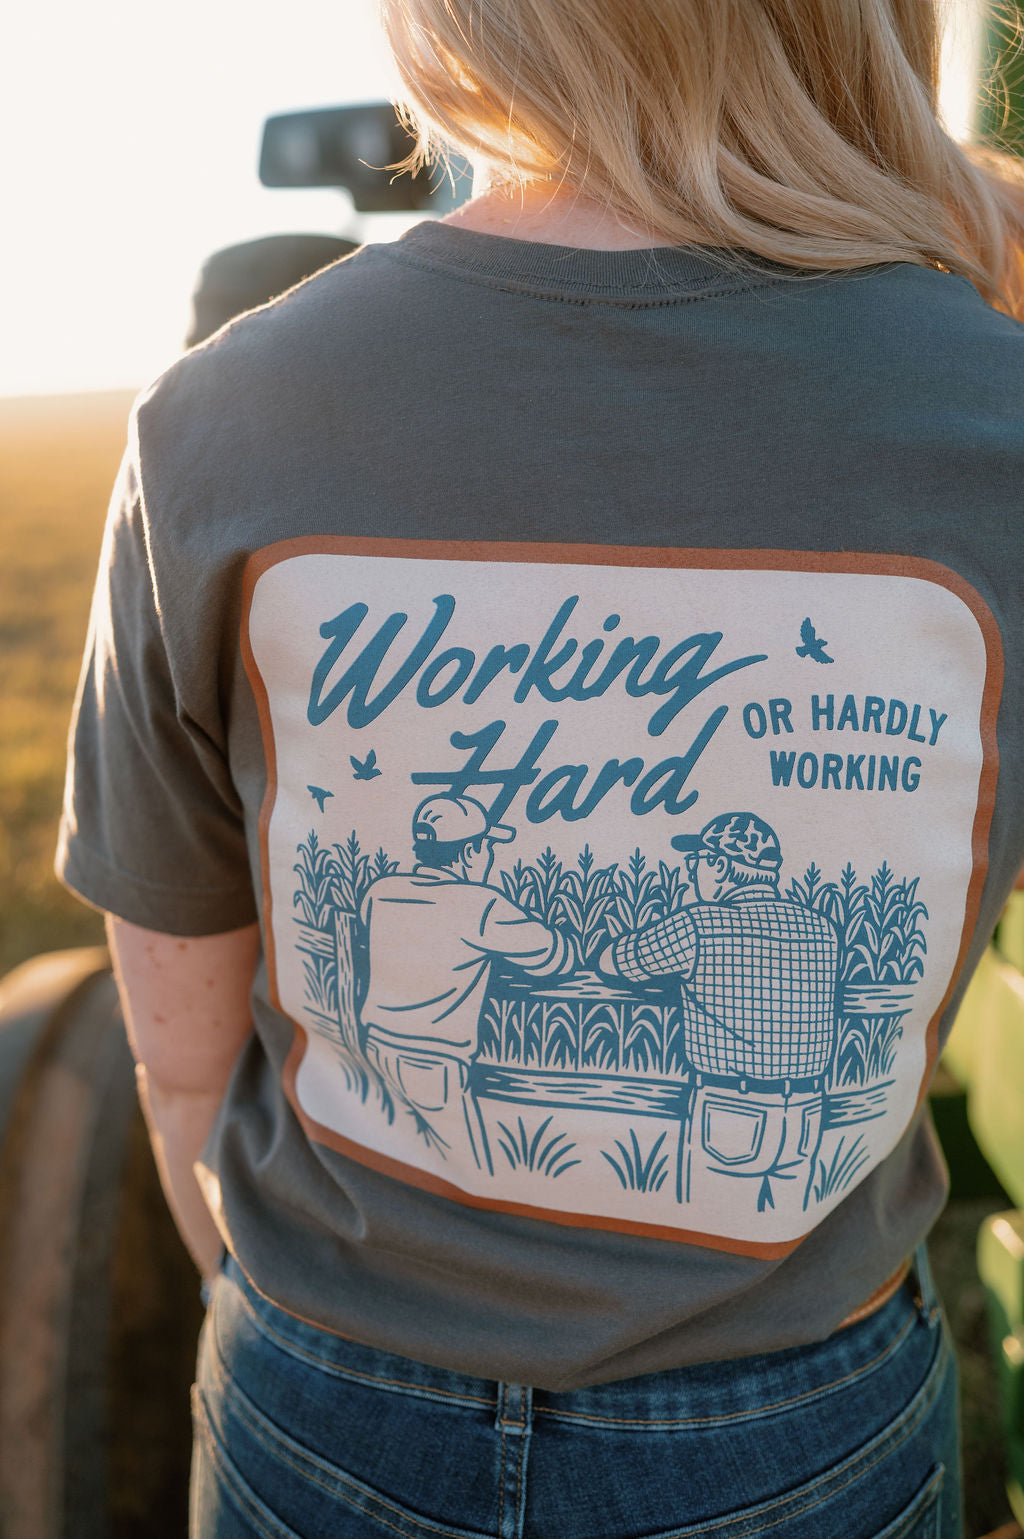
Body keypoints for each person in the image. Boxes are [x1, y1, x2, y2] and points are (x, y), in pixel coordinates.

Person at [56, 1, 1024, 1535]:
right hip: (801, 1416)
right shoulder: (996, 408)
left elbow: (182, 1062)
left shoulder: (225, 411)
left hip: (328, 1396)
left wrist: (286, 1320)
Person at [599, 811, 840, 1219]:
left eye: (697, 861)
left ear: (720, 865)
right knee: (783, 1231)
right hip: (805, 1108)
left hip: (731, 1109)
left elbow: (615, 962)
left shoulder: (700, 923)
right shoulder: (820, 928)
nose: (691, 871)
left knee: (709, 1228)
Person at [359, 794, 570, 1169]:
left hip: (375, 1045)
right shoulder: (480, 904)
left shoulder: (381, 890)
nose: (488, 855)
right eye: (487, 846)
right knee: (465, 1166)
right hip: (433, 1061)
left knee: (392, 1158)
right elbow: (553, 958)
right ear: (471, 851)